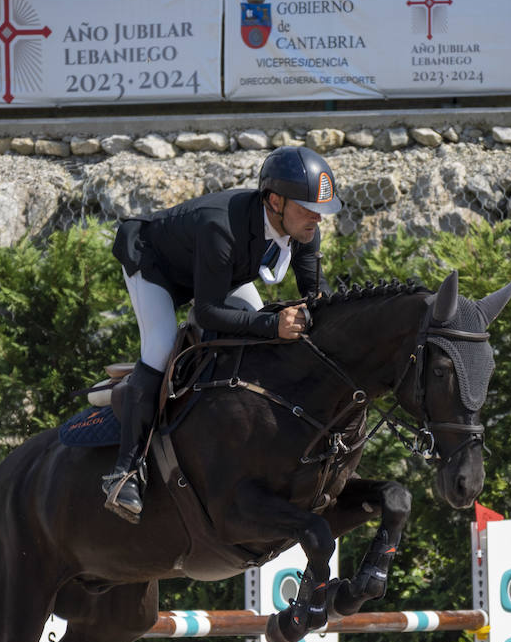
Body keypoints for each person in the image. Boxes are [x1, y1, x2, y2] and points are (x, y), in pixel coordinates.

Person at [102, 146, 343, 523]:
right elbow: (207, 312)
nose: (316, 218)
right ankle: (126, 471)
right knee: (162, 345)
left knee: (256, 333)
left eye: (320, 209)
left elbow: (317, 295)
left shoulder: (304, 231)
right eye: (306, 207)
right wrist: (272, 325)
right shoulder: (222, 226)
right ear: (275, 201)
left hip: (220, 272)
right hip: (157, 267)